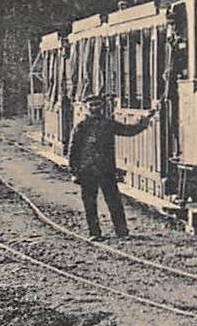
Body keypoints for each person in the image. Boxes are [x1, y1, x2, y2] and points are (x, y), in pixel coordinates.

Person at [66, 95, 157, 240]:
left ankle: (122, 232)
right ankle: (94, 233)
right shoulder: (81, 127)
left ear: (102, 107)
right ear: (86, 108)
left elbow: (129, 130)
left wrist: (145, 119)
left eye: (97, 105)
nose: (95, 108)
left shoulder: (108, 124)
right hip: (87, 171)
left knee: (114, 202)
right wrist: (74, 172)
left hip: (106, 170)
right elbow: (73, 150)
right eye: (92, 105)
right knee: (90, 204)